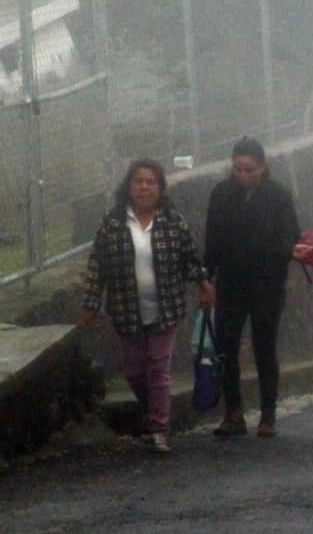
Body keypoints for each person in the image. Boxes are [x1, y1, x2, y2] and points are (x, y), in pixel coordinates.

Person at [80, 159, 214, 453]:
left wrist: (203, 283)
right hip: (127, 309)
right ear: (128, 187)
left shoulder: (171, 221)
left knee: (158, 367)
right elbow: (97, 266)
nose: (144, 187)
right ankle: (154, 412)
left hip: (165, 308)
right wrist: (90, 304)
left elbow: (190, 258)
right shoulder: (112, 222)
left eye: (151, 182)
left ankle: (159, 426)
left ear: (160, 188)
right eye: (139, 181)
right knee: (135, 371)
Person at [205, 137, 303, 438]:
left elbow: (291, 237)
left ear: (262, 167)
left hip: (267, 284)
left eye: (249, 170)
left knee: (264, 346)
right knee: (226, 347)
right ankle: (233, 413)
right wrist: (205, 278)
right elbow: (212, 240)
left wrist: (284, 251)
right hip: (231, 283)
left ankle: (267, 414)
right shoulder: (221, 194)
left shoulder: (278, 196)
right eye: (238, 169)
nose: (243, 176)